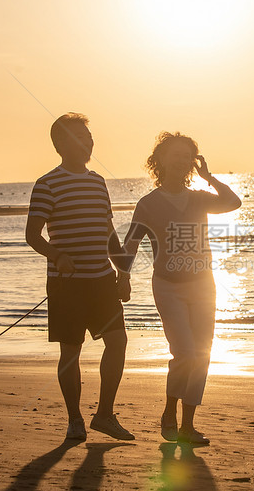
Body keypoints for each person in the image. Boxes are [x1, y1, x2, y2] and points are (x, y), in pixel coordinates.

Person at [118, 132, 241, 445]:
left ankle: (188, 425)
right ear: (159, 160)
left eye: (186, 156)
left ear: (191, 163)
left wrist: (209, 177)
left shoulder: (200, 197)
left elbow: (233, 202)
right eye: (174, 155)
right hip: (168, 287)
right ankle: (169, 410)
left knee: (201, 355)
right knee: (185, 352)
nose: (180, 160)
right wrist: (123, 276)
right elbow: (130, 245)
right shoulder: (147, 204)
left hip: (203, 285)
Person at [25, 112, 133, 441]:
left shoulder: (98, 182)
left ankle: (104, 415)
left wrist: (123, 270)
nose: (88, 142)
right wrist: (57, 255)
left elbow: (108, 232)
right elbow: (32, 235)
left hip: (101, 281)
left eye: (89, 136)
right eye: (79, 137)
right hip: (66, 284)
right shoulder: (47, 184)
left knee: (118, 342)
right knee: (71, 351)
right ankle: (74, 420)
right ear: (61, 144)